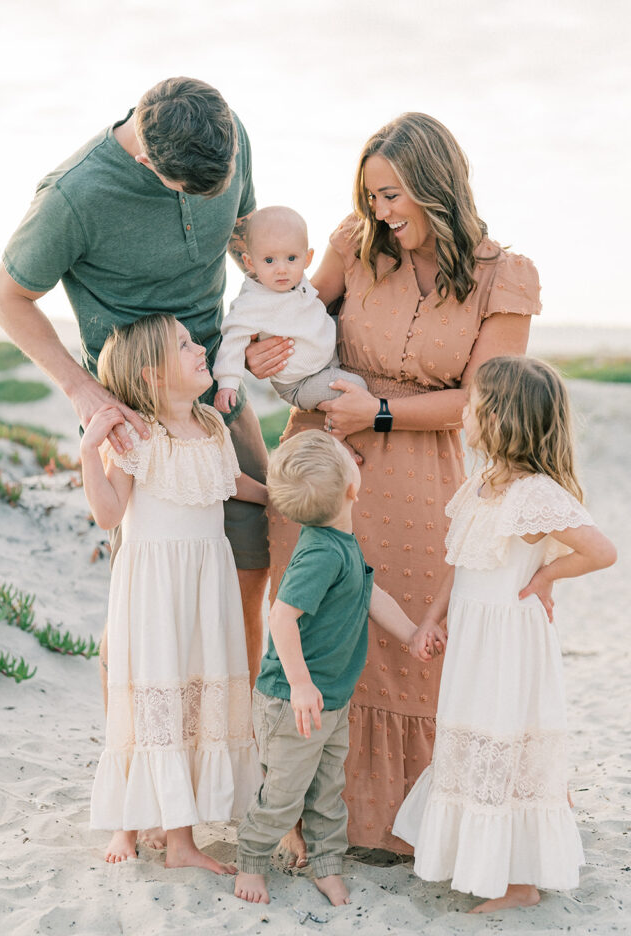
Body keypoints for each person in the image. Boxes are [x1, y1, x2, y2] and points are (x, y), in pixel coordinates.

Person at [247, 112, 542, 857]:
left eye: (393, 195)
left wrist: (378, 412)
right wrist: (261, 358)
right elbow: (294, 317)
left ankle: (406, 829)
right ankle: (295, 817)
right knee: (314, 633)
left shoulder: (503, 276)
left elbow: (484, 399)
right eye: (372, 195)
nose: (382, 211)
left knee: (414, 643)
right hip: (320, 466)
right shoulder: (354, 245)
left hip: (417, 474)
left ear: (436, 185)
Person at [0, 77, 270, 704]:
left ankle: (235, 733)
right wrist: (82, 392)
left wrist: (262, 329)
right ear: (146, 158)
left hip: (218, 387)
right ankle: (136, 747)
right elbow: (5, 299)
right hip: (135, 414)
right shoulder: (73, 197)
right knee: (145, 594)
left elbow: (246, 241)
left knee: (252, 562)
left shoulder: (226, 135)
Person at [392, 356, 617, 912]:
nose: (463, 413)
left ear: (499, 417)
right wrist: (430, 620)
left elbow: (601, 550)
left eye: (470, 406)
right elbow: (460, 562)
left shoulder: (534, 494)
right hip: (474, 641)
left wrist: (546, 574)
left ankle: (520, 883)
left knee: (506, 736)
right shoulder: (481, 486)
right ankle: (487, 861)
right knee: (475, 734)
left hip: (510, 644)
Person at [82, 314, 265, 871]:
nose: (200, 348)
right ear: (152, 376)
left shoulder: (211, 423)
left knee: (193, 693)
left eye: (194, 340)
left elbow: (234, 485)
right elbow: (109, 512)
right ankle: (143, 829)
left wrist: (284, 497)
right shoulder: (137, 436)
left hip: (206, 584)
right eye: (184, 346)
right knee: (152, 696)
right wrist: (90, 451)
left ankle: (174, 831)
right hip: (154, 588)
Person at [234, 431, 437, 906]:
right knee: (284, 793)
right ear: (353, 488)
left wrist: (409, 634)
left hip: (331, 699)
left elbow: (371, 594)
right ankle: (251, 859)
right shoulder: (322, 552)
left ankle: (326, 865)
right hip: (293, 701)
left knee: (328, 790)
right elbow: (281, 615)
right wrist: (301, 685)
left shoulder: (341, 541)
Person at [213, 206, 367, 414]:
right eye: (269, 260)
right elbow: (233, 341)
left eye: (292, 258)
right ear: (250, 262)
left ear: (307, 258)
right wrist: (227, 383)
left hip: (325, 358)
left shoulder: (295, 280)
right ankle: (340, 425)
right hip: (301, 382)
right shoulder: (250, 304)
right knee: (358, 386)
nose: (281, 269)